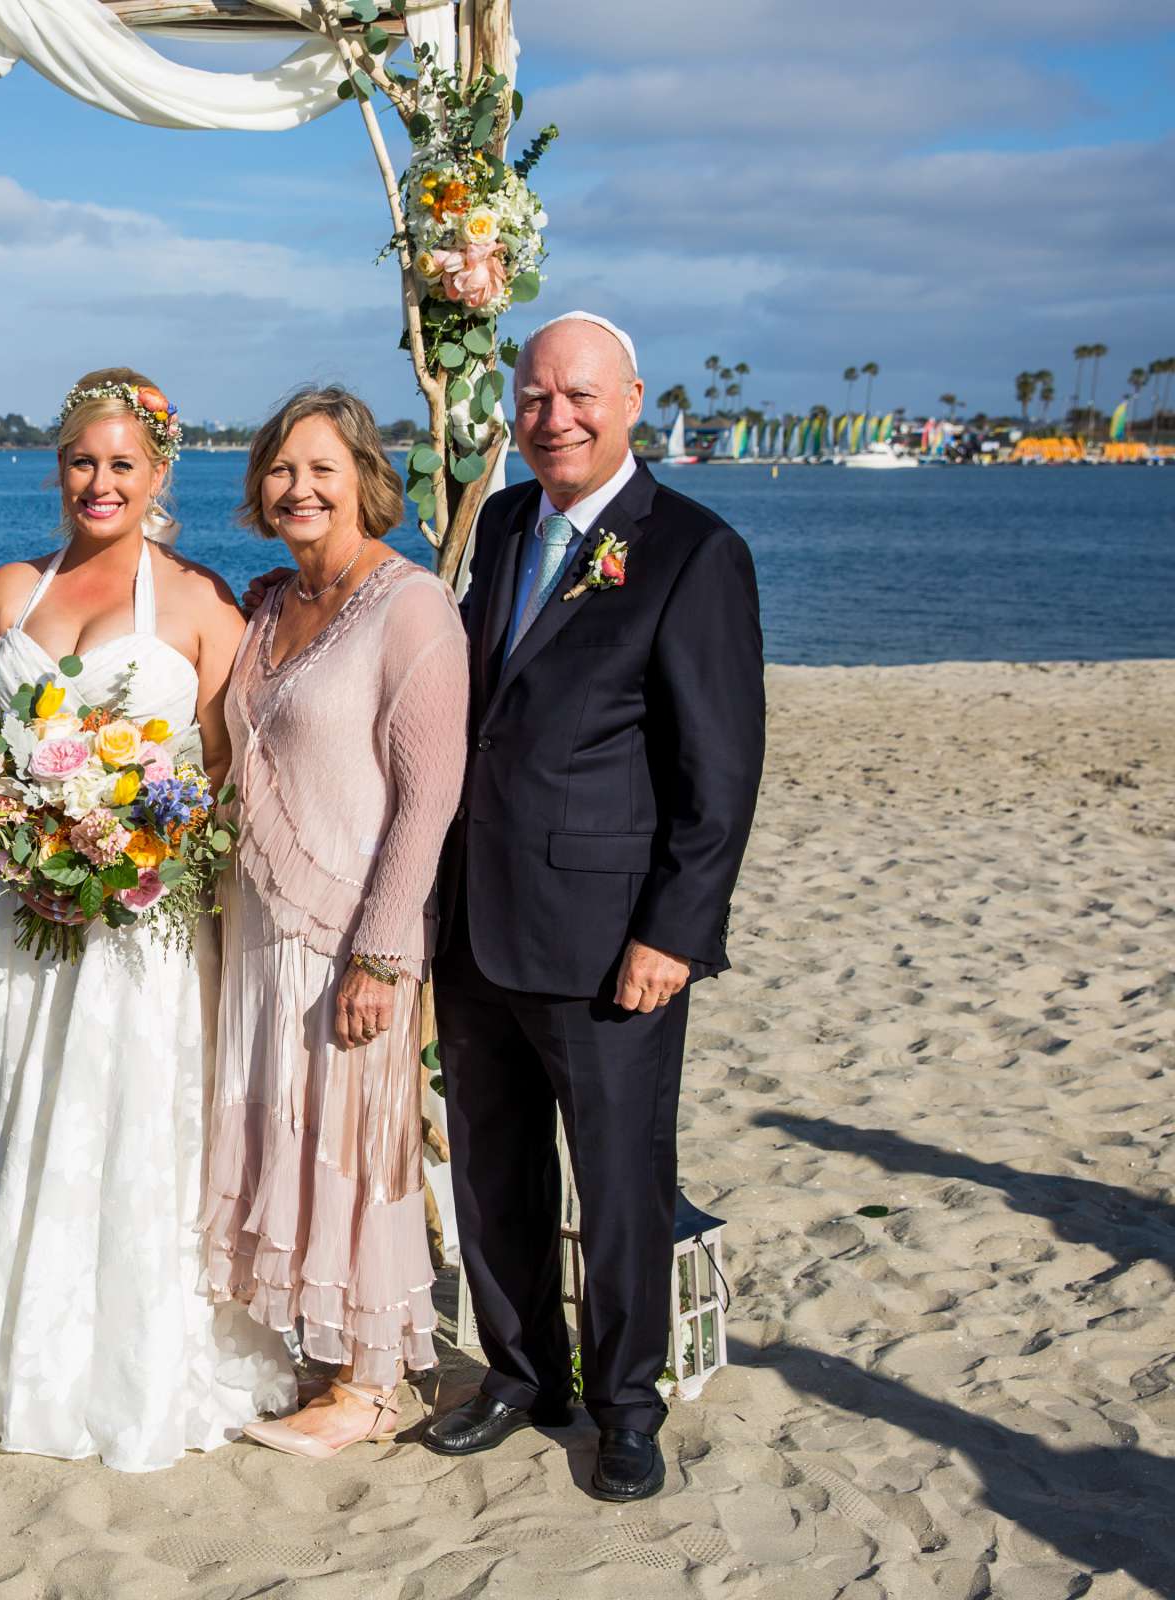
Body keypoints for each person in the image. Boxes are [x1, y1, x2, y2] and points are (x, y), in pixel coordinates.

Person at [0, 368, 295, 1473]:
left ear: (159, 474)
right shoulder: (9, 590)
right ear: (58, 467)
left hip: (138, 938)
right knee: (2, 1111)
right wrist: (16, 830)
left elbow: (227, 775)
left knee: (126, 1128)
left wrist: (127, 849)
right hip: (15, 919)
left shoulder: (202, 604)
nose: (98, 483)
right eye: (81, 461)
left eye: (122, 464)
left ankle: (121, 1363)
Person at [425, 311, 763, 1502]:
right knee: (492, 1167)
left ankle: (627, 1403)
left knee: (620, 1180)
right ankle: (522, 1375)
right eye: (532, 396)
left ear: (629, 400)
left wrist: (674, 932)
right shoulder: (504, 523)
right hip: (472, 920)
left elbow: (717, 774)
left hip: (609, 938)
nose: (552, 416)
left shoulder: (692, 550)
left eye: (577, 396)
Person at [202, 387, 467, 1459]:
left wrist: (385, 952)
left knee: (356, 1146)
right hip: (260, 924)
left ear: (365, 476)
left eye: (322, 467)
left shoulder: (410, 607)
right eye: (280, 469)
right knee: (286, 1134)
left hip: (354, 928)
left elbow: (428, 793)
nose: (300, 487)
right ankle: (316, 1353)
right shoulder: (267, 605)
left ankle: (368, 1385)